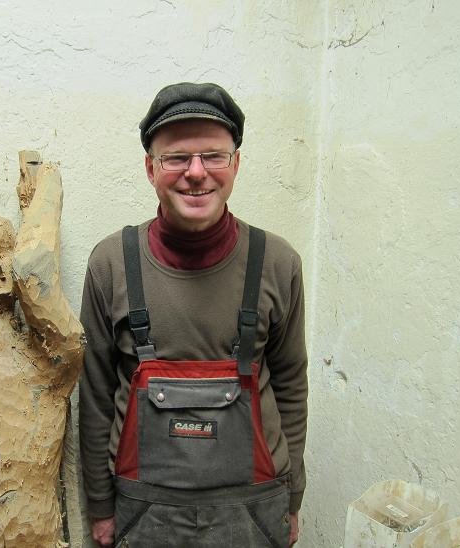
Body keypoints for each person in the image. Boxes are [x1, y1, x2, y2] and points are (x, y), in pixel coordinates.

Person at [79, 82, 308, 547]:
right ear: (151, 168)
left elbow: (290, 384)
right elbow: (96, 394)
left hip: (255, 510)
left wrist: (292, 498)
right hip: (141, 513)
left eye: (213, 156)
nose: (197, 173)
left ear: (236, 163)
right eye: (177, 158)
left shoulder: (278, 263)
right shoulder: (111, 264)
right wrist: (100, 506)